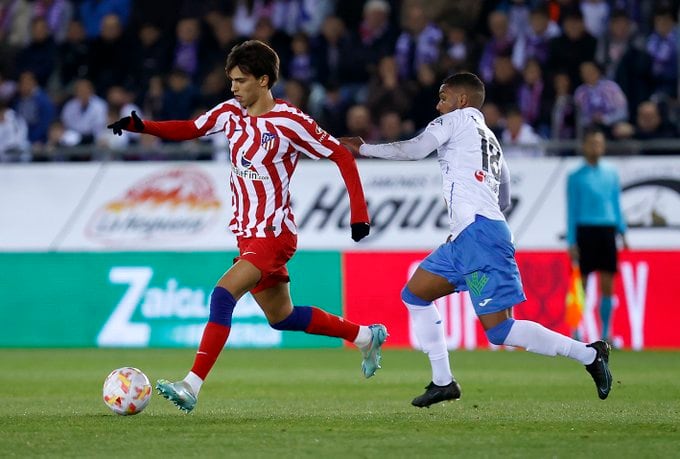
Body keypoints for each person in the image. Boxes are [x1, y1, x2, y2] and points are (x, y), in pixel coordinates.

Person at [107, 40, 387, 412]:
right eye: (231, 81)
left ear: (264, 80)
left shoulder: (291, 122)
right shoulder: (230, 114)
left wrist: (358, 215)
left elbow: (340, 154)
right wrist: (142, 126)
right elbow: (189, 128)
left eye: (240, 81)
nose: (233, 88)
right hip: (246, 233)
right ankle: (366, 336)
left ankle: (191, 385)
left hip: (273, 234)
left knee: (223, 295)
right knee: (282, 317)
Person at [340, 72, 613, 408]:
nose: (438, 105)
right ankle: (443, 381)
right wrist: (472, 216)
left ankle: (588, 353)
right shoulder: (490, 140)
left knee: (499, 331)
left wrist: (363, 148)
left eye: (443, 97)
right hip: (470, 235)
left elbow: (414, 150)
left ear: (461, 101)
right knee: (415, 294)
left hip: (479, 235)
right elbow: (506, 195)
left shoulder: (454, 121)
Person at [567, 126, 628, 343]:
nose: (596, 147)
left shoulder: (611, 173)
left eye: (600, 143)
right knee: (581, 284)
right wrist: (572, 240)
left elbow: (616, 202)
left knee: (607, 283)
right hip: (585, 231)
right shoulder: (575, 177)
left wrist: (623, 230)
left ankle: (606, 333)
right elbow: (572, 209)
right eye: (592, 143)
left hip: (607, 231)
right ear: (584, 146)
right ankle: (576, 329)